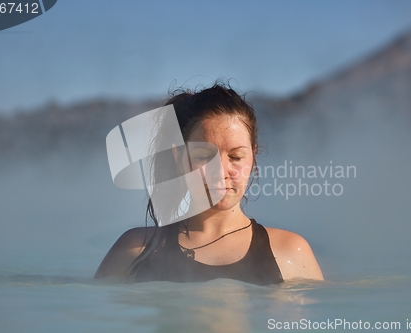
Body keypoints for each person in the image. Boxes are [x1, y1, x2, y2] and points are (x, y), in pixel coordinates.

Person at [94, 82, 323, 285]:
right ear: (179, 157)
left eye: (235, 157)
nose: (221, 172)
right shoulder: (134, 249)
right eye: (204, 156)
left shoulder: (290, 251)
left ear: (253, 157)